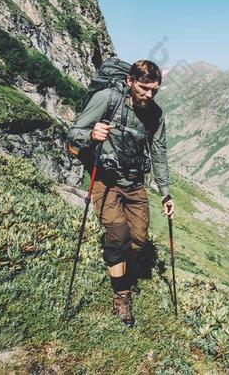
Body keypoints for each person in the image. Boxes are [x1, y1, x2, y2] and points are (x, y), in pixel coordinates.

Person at [68, 59, 174, 327]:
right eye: (144, 88)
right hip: (105, 180)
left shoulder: (155, 114)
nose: (149, 95)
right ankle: (122, 297)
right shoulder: (107, 99)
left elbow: (159, 153)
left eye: (154, 90)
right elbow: (74, 133)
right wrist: (92, 135)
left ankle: (124, 274)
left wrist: (165, 193)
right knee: (118, 236)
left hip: (135, 183)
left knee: (138, 240)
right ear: (130, 82)